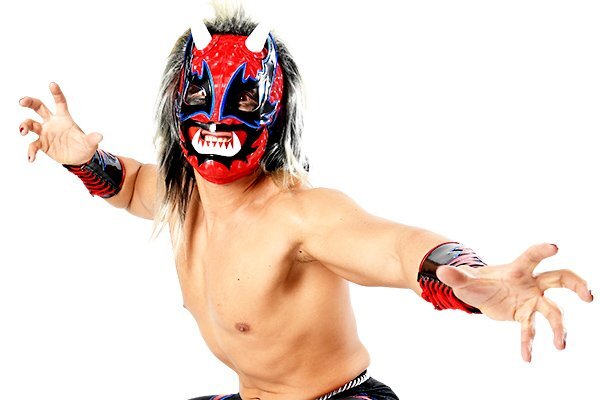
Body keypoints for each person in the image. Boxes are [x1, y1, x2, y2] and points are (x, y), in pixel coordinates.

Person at [17, 4, 594, 400]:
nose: (217, 120)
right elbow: (129, 185)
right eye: (201, 98)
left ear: (274, 112)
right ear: (177, 105)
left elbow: (394, 249)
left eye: (244, 101)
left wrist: (471, 279)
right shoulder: (182, 192)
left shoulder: (299, 214)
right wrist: (79, 158)